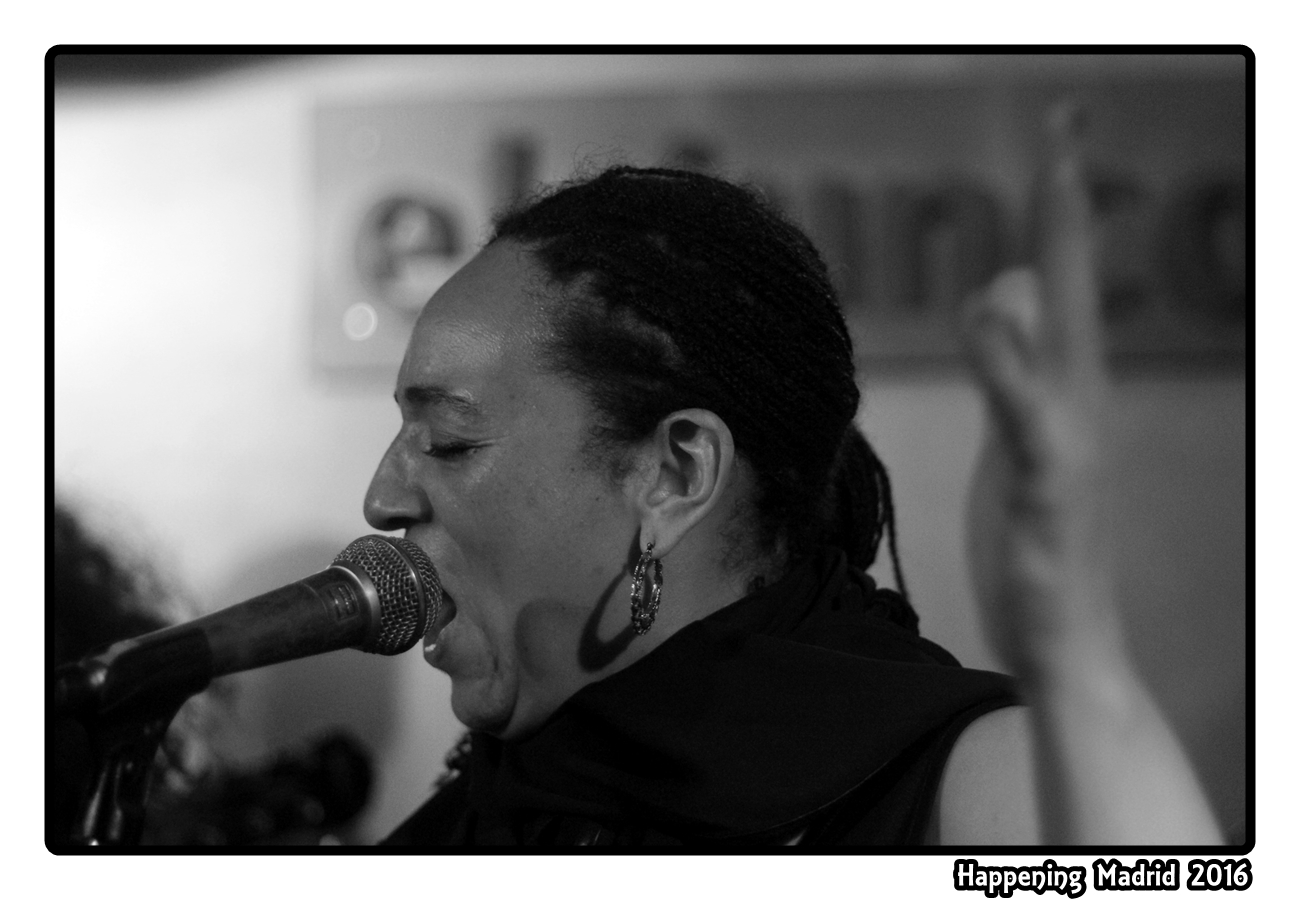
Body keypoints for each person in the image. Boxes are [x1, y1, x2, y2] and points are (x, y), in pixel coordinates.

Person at [368, 117, 1224, 845]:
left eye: (449, 441)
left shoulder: (962, 788)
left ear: (675, 473)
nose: (382, 500)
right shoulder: (481, 808)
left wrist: (1076, 652)